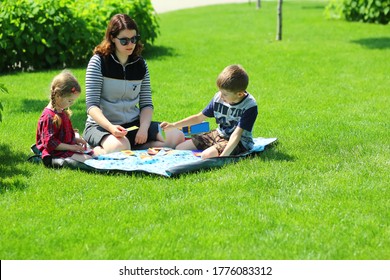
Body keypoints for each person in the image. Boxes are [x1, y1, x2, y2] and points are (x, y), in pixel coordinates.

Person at [82, 13, 184, 154]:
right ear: (112, 38)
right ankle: (93, 149)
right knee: (119, 148)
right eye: (124, 41)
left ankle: (132, 148)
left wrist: (143, 128)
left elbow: (146, 104)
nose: (130, 44)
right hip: (102, 127)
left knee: (177, 136)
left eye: (133, 39)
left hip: (133, 125)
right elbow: (92, 106)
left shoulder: (140, 64)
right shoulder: (98, 62)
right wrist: (112, 128)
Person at [161, 64, 258, 159]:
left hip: (239, 142)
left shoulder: (249, 106)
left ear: (240, 94)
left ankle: (216, 150)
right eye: (220, 91)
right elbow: (198, 118)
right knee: (180, 148)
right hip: (218, 134)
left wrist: (223, 157)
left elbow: (237, 134)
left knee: (206, 155)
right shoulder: (218, 98)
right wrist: (173, 125)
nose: (220, 96)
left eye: (225, 94)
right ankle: (215, 148)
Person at [36, 70, 96, 167]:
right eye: (70, 100)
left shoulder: (61, 111)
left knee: (92, 154)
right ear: (58, 95)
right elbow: (51, 143)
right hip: (55, 153)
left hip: (67, 148)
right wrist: (72, 147)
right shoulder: (48, 116)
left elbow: (64, 133)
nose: (71, 104)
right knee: (88, 161)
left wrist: (77, 140)